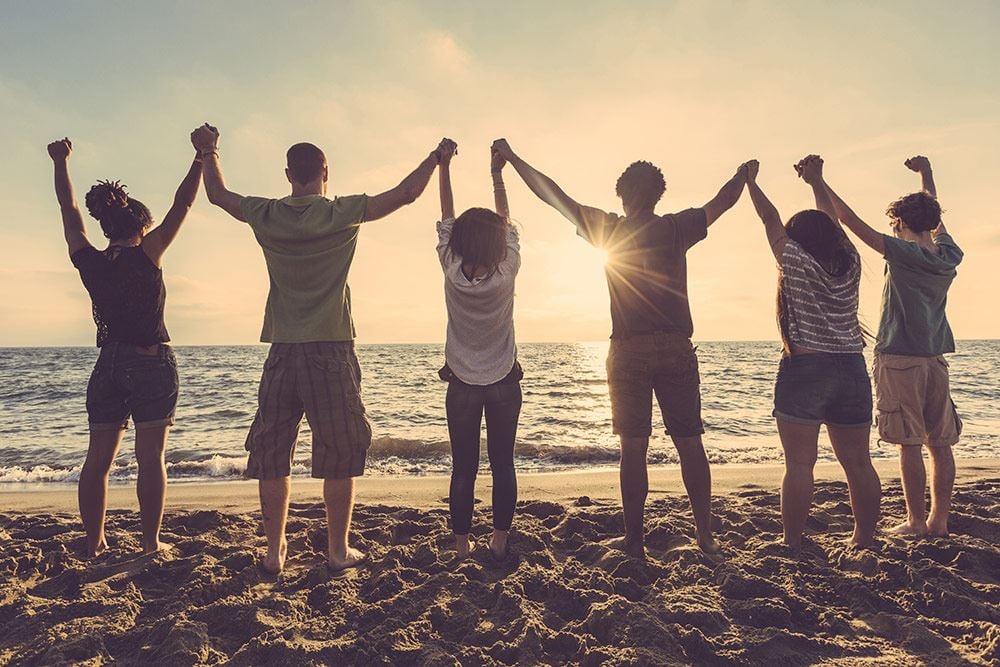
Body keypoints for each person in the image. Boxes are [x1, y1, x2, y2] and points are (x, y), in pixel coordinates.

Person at [191, 123, 450, 573]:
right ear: (325, 171)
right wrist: (435, 159)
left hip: (282, 349)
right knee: (338, 450)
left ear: (288, 173)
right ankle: (336, 549)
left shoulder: (267, 214)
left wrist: (209, 150)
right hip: (331, 347)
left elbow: (218, 195)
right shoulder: (339, 213)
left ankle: (274, 553)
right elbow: (406, 194)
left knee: (273, 452)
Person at [491, 138, 748, 557]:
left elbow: (552, 194)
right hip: (677, 346)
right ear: (658, 194)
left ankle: (634, 540)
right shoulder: (675, 227)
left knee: (634, 446)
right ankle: (705, 535)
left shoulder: (609, 228)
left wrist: (513, 158)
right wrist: (744, 173)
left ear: (622, 194)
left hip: (629, 350)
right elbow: (724, 200)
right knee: (689, 441)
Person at [47, 137, 203, 557]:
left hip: (108, 365)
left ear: (105, 226)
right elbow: (184, 203)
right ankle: (150, 542)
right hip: (151, 361)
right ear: (141, 226)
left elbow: (69, 209)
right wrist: (202, 156)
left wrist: (61, 162)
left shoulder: (88, 259)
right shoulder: (149, 252)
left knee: (98, 459)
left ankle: (94, 540)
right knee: (151, 458)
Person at [817, 155, 963, 537]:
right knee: (940, 443)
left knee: (909, 444)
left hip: (900, 358)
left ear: (899, 224)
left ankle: (915, 521)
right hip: (935, 359)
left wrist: (818, 180)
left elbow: (848, 220)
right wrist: (926, 175)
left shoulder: (903, 252)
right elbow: (933, 214)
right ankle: (940, 521)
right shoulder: (947, 254)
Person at [744, 156, 881, 547]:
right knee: (858, 463)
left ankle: (792, 541)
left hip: (806, 368)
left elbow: (769, 219)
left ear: (798, 238)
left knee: (800, 464)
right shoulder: (851, 262)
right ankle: (864, 540)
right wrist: (816, 181)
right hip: (852, 369)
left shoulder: (794, 259)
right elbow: (832, 222)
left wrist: (751, 182)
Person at [435, 141, 523, 560]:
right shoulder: (507, 271)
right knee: (503, 463)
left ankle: (461, 543)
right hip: (504, 378)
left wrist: (443, 165)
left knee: (463, 467)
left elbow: (447, 217)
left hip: (462, 384)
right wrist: (497, 172)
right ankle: (500, 539)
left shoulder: (452, 269)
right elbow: (505, 221)